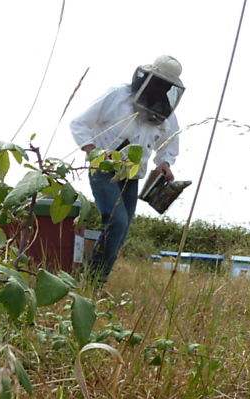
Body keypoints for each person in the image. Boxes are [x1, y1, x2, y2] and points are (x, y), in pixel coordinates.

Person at [70, 55, 185, 286]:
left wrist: (165, 163)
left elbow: (169, 143)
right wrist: (94, 151)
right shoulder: (117, 96)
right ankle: (94, 282)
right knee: (116, 223)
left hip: (132, 177)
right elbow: (79, 123)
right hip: (104, 169)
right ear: (147, 77)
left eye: (166, 85)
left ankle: (94, 282)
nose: (161, 88)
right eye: (158, 81)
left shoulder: (165, 112)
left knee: (120, 233)